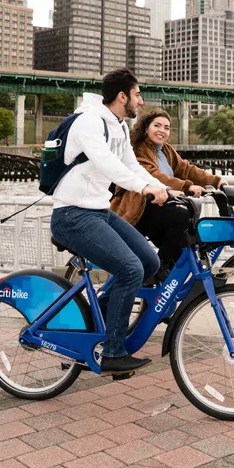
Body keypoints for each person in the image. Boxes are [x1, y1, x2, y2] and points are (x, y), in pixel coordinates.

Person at [49, 69, 167, 376]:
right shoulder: (90, 120)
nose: (141, 101)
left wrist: (166, 189)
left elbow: (130, 164)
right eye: (138, 94)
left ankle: (88, 328)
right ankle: (114, 352)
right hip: (72, 215)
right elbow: (107, 164)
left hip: (98, 211)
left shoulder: (119, 125)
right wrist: (144, 188)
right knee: (130, 270)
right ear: (123, 96)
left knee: (149, 262)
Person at [111, 109, 226, 280]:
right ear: (146, 128)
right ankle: (158, 268)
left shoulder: (166, 150)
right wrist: (187, 187)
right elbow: (153, 174)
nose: (162, 131)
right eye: (157, 125)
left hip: (158, 205)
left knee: (185, 238)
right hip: (138, 208)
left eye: (166, 128)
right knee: (180, 215)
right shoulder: (140, 148)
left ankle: (162, 280)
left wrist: (217, 181)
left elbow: (186, 169)